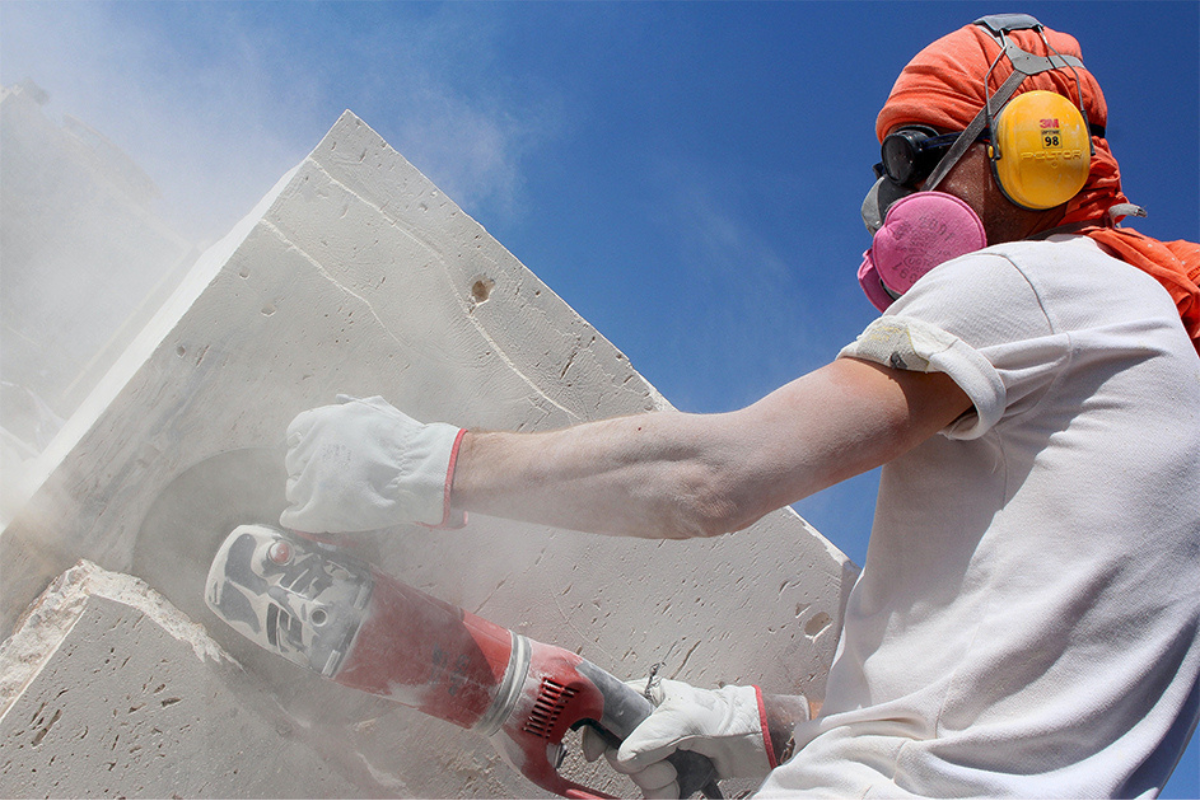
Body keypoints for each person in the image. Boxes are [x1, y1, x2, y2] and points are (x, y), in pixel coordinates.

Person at [279, 15, 1200, 798]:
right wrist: (764, 725)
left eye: (917, 158)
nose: (900, 203)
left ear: (1041, 145)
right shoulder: (1153, 369)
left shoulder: (1037, 284)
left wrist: (425, 463)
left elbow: (708, 480)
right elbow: (1007, 709)